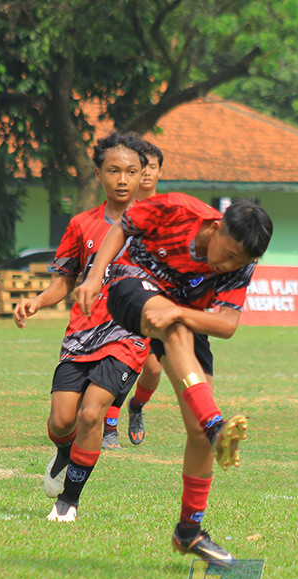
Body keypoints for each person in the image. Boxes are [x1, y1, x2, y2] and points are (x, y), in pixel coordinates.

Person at [78, 195, 272, 567]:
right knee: (180, 340)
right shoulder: (176, 209)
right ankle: (216, 425)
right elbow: (122, 226)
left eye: (238, 262)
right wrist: (93, 275)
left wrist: (179, 310)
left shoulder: (242, 264)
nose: (227, 265)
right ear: (216, 227)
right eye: (227, 254)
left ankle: (189, 529)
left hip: (183, 313)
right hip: (131, 287)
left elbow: (228, 325)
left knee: (195, 431)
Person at [13, 131, 150, 523]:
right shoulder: (81, 224)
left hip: (127, 335)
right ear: (98, 174)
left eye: (131, 171)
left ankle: (68, 501)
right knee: (61, 422)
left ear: (143, 176)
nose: (122, 179)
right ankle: (63, 451)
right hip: (81, 334)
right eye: (114, 171)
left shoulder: (154, 226)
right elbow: (65, 280)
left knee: (92, 414)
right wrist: (37, 301)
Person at [103, 141, 165, 448]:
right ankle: (109, 423)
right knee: (123, 361)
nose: (147, 173)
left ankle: (136, 407)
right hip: (129, 301)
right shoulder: (123, 213)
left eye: (153, 167)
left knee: (153, 370)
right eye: (145, 167)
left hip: (161, 302)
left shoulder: (167, 210)